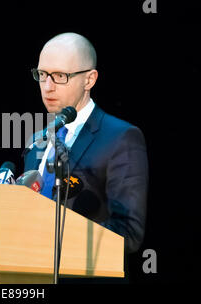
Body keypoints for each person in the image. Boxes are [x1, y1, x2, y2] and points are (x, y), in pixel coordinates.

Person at [23, 33, 149, 257]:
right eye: (42, 75)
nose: (48, 87)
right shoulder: (37, 141)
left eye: (60, 75)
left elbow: (128, 234)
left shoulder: (121, 137)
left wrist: (52, 242)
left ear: (89, 80)